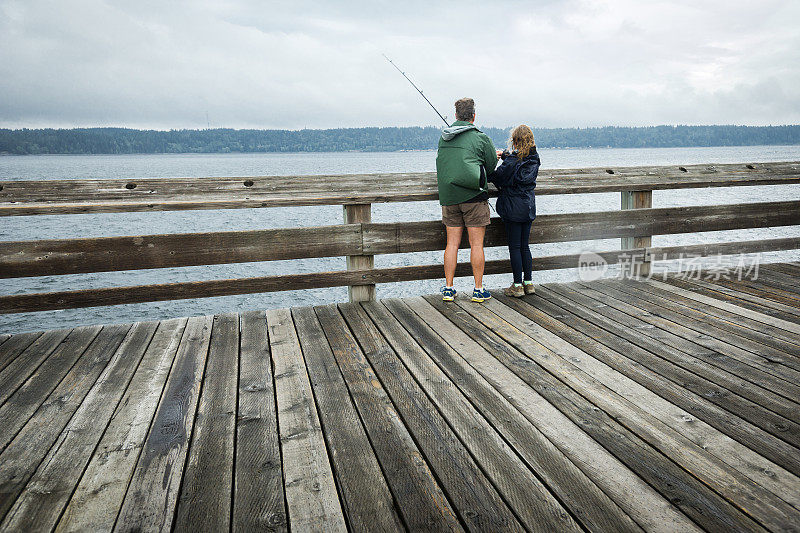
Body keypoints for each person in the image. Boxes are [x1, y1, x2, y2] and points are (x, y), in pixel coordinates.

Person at [436, 98, 499, 302]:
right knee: (476, 245)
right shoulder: (481, 138)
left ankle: (448, 288)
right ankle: (478, 289)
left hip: (449, 197)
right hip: (474, 197)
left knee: (451, 244)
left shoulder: (444, 138)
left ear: (455, 116)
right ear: (473, 116)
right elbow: (490, 168)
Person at [490, 124, 540, 297]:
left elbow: (497, 176)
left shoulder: (513, 160)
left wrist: (492, 162)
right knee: (525, 246)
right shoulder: (534, 158)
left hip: (512, 208)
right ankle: (529, 283)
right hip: (528, 206)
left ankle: (517, 286)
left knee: (514, 247)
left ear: (516, 141)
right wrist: (505, 156)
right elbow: (518, 163)